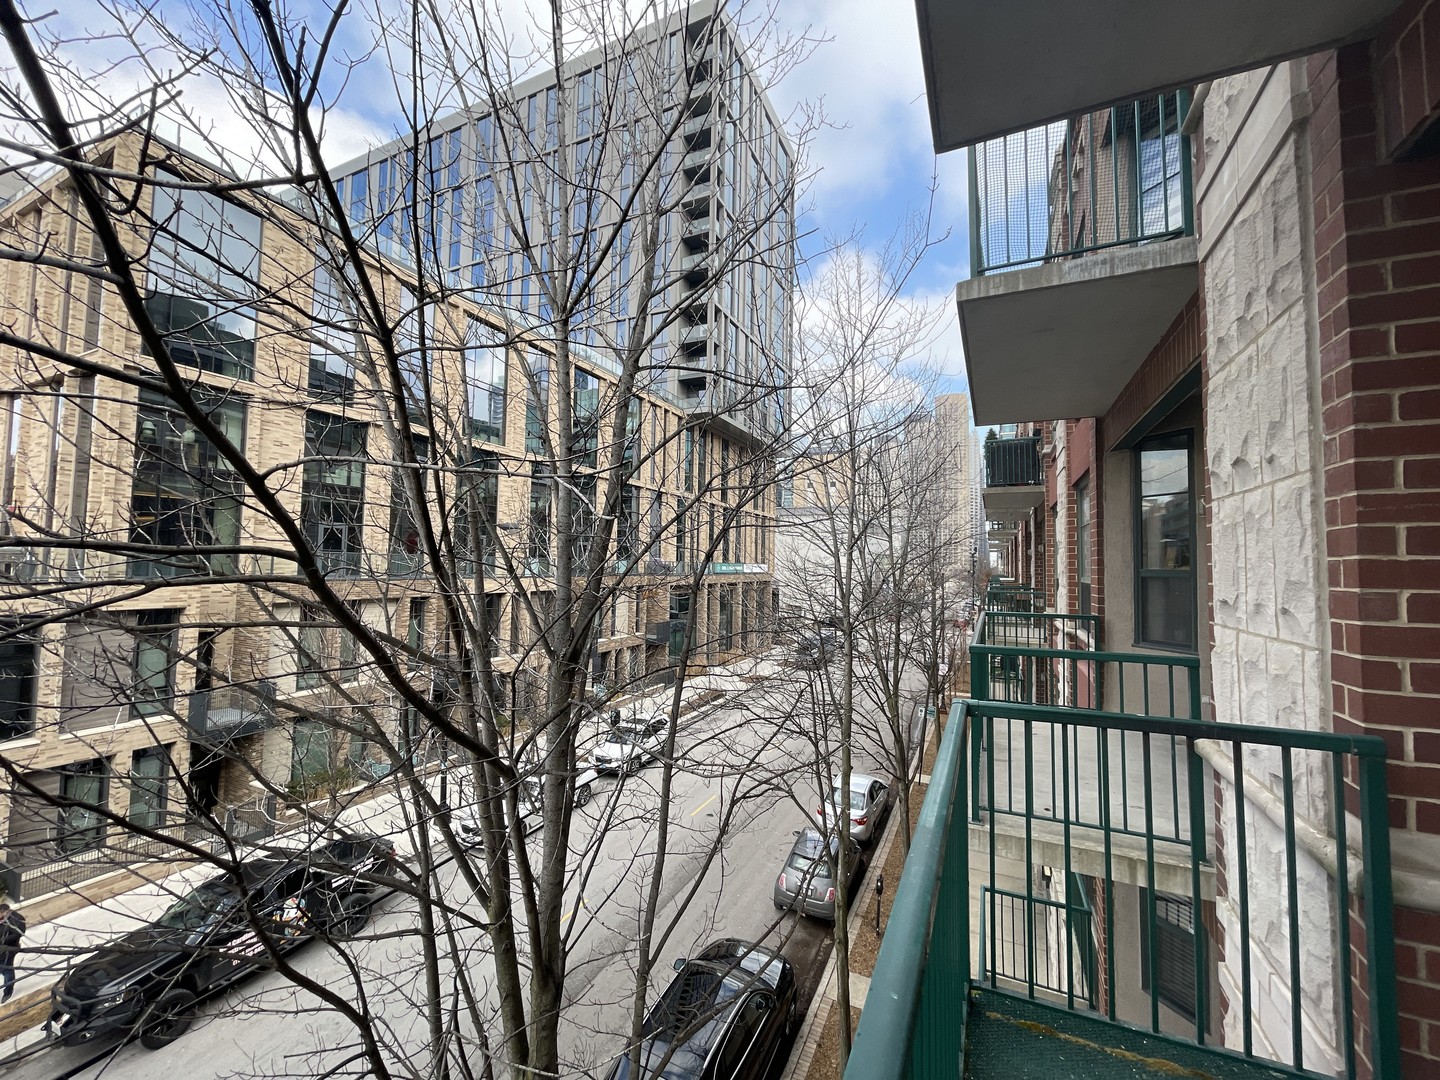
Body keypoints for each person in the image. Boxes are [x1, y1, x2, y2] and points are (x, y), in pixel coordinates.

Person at [0, 902, 26, 1004]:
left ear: (5, 912)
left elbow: (19, 932)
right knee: (3, 969)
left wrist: (3, 941)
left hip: (9, 950)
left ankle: (8, 991)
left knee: (7, 970)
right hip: (2, 949)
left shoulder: (15, 920)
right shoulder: (3, 919)